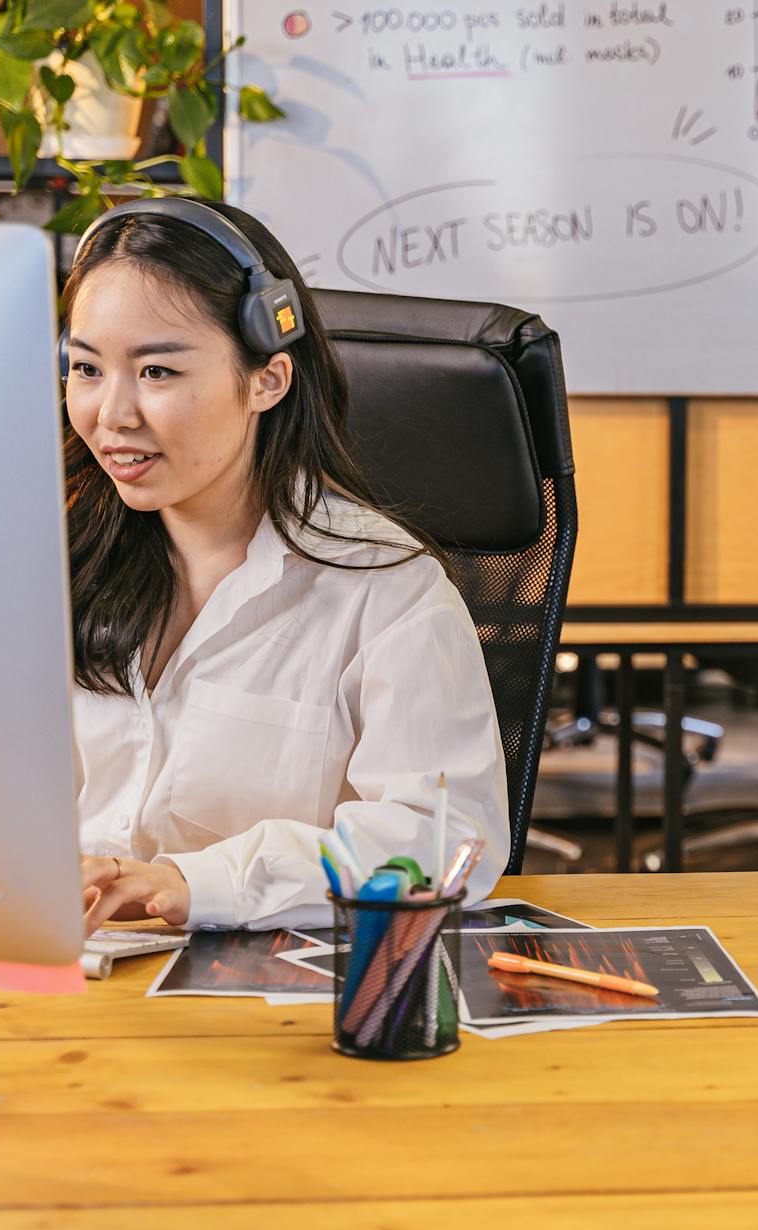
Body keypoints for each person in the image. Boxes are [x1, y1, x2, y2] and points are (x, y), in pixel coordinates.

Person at [63, 197, 507, 933]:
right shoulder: (54, 562)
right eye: (85, 367)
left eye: (158, 372)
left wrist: (198, 882)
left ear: (266, 379)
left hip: (267, 1000)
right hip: (60, 981)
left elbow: (445, 841)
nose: (112, 413)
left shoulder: (388, 593)